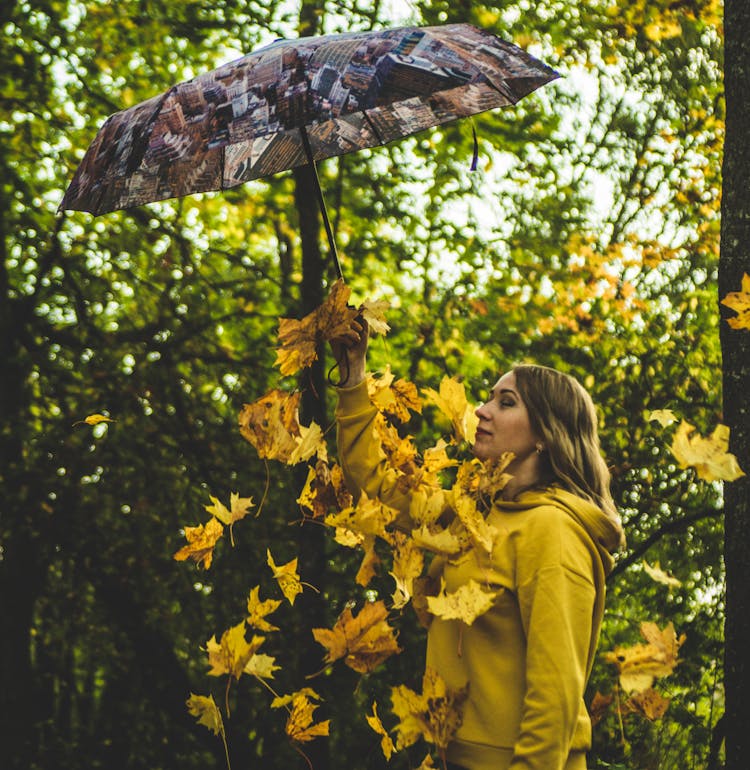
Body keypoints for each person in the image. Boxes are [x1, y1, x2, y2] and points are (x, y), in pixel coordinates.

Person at [330, 318, 625, 770]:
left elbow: (556, 691)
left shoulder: (553, 531)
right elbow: (376, 486)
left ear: (546, 434)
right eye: (489, 397)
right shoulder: (474, 514)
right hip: (451, 756)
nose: (483, 410)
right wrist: (353, 377)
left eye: (506, 402)